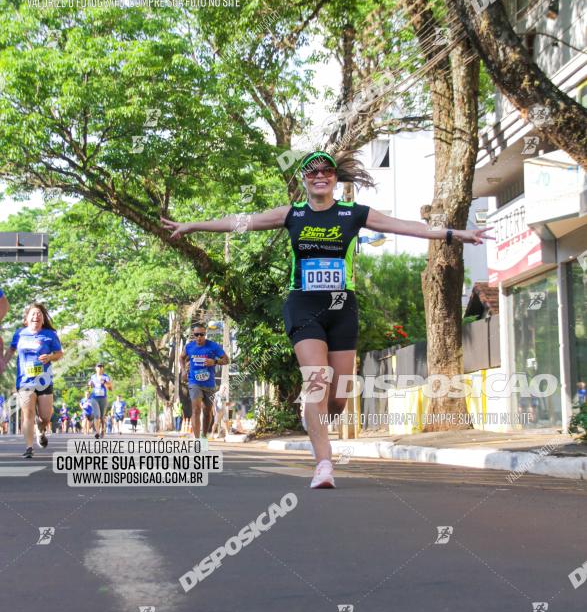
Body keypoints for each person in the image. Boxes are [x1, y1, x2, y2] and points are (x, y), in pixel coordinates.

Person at [162, 148, 493, 488]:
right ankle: (324, 465)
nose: (319, 176)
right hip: (303, 306)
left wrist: (455, 234)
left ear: (335, 179)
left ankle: (314, 416)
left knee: (337, 397)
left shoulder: (353, 213)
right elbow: (241, 221)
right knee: (317, 381)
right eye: (312, 172)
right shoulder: (293, 214)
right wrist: (193, 225)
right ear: (303, 180)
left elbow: (404, 226)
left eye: (327, 172)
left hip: (341, 307)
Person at [0, 302, 63, 459]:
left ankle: (41, 429)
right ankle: (29, 447)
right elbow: (11, 350)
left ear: (42, 319)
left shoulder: (49, 335)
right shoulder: (19, 334)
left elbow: (59, 353)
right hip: (25, 381)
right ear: (26, 319)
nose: (36, 316)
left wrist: (50, 357)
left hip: (44, 381)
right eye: (33, 314)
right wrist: (3, 363)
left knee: (46, 416)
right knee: (27, 414)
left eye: (39, 314)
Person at [178, 324, 229, 439]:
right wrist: (183, 371)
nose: (199, 337)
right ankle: (197, 440)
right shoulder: (189, 347)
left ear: (205, 334)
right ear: (193, 335)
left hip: (209, 383)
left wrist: (214, 362)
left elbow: (226, 360)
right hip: (194, 382)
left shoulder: (213, 346)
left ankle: (204, 437)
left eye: (202, 334)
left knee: (207, 411)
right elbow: (181, 357)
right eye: (197, 334)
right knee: (196, 409)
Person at [88, 363, 112, 439]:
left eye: (101, 367)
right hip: (94, 398)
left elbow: (110, 387)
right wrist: (90, 384)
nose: (100, 368)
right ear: (96, 368)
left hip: (103, 398)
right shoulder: (93, 377)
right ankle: (97, 432)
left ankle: (103, 430)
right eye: (98, 367)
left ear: (103, 369)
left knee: (102, 417)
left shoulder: (106, 377)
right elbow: (90, 385)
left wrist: (105, 382)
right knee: (97, 415)